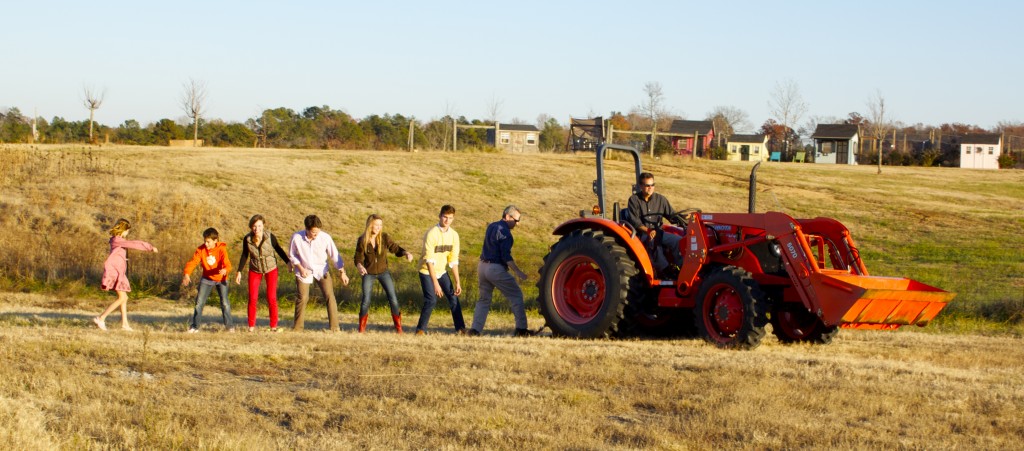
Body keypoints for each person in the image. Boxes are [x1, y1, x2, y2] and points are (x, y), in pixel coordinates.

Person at [469, 205, 530, 337]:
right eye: (516, 220)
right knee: (516, 295)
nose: (517, 224)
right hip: (495, 268)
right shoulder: (506, 233)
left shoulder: (491, 226)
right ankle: (522, 329)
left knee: (484, 300)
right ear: (508, 216)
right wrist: (518, 272)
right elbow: (506, 256)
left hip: (482, 266)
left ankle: (475, 330)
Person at [93, 218, 158, 331]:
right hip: (115, 272)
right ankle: (101, 318)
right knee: (122, 297)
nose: (127, 233)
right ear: (122, 230)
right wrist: (150, 247)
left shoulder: (117, 240)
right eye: (127, 231)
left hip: (119, 272)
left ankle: (125, 324)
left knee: (124, 298)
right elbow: (134, 244)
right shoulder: (117, 240)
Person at [353, 214, 414, 333]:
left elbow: (395, 248)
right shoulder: (362, 240)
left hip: (383, 272)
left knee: (393, 299)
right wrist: (360, 266)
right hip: (368, 273)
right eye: (376, 225)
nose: (378, 227)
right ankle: (361, 328)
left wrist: (406, 253)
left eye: (380, 225)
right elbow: (357, 258)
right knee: (366, 300)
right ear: (370, 225)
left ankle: (398, 328)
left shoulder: (384, 237)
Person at [289, 214, 349, 331]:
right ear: (306, 229)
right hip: (303, 271)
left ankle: (334, 327)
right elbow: (292, 255)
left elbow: (335, 255)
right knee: (303, 297)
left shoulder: (325, 238)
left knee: (329, 296)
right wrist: (300, 268)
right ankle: (297, 328)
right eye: (313, 232)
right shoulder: (296, 237)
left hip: (322, 270)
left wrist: (342, 272)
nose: (316, 234)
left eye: (318, 231)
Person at [415, 205, 466, 335]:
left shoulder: (454, 236)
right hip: (426, 271)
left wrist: (457, 282)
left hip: (441, 271)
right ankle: (420, 330)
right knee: (431, 300)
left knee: (453, 297)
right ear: (440, 216)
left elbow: (453, 261)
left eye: (450, 218)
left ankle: (460, 329)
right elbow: (429, 261)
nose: (447, 220)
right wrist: (436, 284)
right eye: (445, 217)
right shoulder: (431, 234)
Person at [235, 214, 291, 332]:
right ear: (251, 227)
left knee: (271, 297)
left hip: (271, 269)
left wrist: (288, 262)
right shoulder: (247, 239)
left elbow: (279, 250)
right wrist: (239, 271)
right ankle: (251, 326)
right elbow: (245, 255)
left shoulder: (270, 237)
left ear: (263, 225)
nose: (257, 229)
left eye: (259, 226)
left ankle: (273, 325)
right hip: (255, 270)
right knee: (252, 297)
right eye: (254, 226)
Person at [627, 171, 682, 274]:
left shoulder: (660, 199)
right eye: (647, 185)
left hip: (658, 232)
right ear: (640, 186)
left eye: (652, 185)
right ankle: (665, 271)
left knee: (678, 240)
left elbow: (672, 215)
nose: (650, 188)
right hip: (642, 234)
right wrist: (648, 230)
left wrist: (684, 219)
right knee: (653, 241)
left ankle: (681, 267)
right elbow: (635, 221)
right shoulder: (634, 200)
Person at [182, 227, 234, 332]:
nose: (206, 244)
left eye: (208, 242)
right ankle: (195, 327)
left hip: (221, 278)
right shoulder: (201, 250)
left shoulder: (221, 249)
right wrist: (187, 274)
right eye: (205, 241)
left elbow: (227, 263)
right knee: (199, 303)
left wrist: (225, 270)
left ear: (215, 241)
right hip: (207, 278)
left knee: (225, 303)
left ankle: (229, 327)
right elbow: (193, 262)